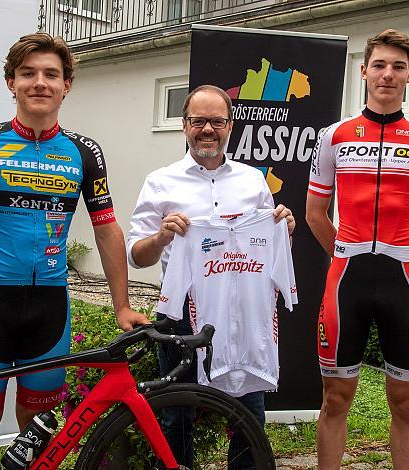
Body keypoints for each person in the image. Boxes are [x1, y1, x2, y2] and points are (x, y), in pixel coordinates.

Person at [0, 32, 149, 447]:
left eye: (51, 74)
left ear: (66, 85)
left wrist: (122, 306)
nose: (40, 82)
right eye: (28, 73)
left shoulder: (84, 152)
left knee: (38, 432)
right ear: (11, 82)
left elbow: (107, 229)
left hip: (50, 307)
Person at [128, 84, 295, 467]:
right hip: (180, 315)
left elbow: (270, 238)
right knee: (177, 415)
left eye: (216, 121)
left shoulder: (253, 180)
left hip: (243, 312)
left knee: (248, 410)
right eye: (198, 121)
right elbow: (137, 256)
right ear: (184, 125)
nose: (208, 129)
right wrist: (161, 236)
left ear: (230, 126)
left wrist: (283, 227)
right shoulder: (160, 181)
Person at [306, 29, 409, 470]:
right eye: (380, 65)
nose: (388, 75)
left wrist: (395, 252)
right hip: (346, 281)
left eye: (398, 67)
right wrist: (346, 254)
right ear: (364, 71)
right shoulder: (334, 136)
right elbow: (314, 213)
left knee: (405, 404)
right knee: (335, 399)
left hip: (404, 281)